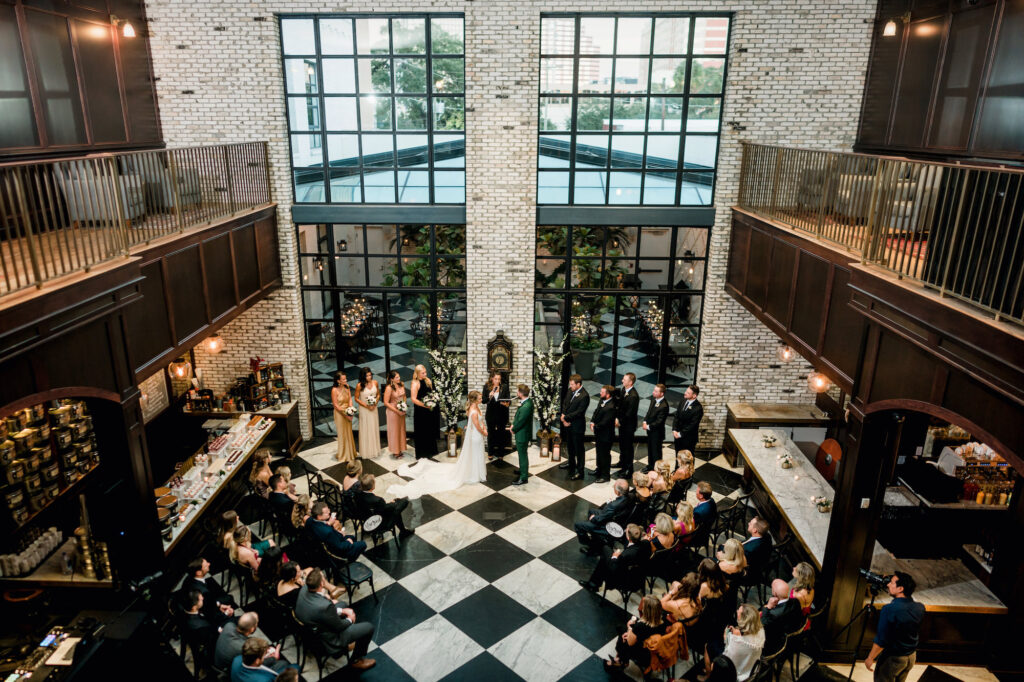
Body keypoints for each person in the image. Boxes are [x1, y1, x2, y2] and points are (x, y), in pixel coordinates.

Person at [385, 391, 488, 498]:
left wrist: (484, 428)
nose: (481, 399)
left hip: (477, 435)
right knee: (476, 454)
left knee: (477, 453)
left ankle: (475, 472)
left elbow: (480, 423)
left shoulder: (476, 407)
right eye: (480, 398)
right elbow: (477, 426)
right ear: (475, 400)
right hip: (476, 436)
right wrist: (484, 432)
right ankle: (475, 475)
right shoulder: (474, 411)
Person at [295, 568, 376, 671]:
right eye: (323, 577)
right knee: (368, 628)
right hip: (330, 638)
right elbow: (339, 627)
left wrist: (342, 611)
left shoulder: (304, 588)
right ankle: (356, 660)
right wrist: (350, 619)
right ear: (321, 584)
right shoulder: (324, 607)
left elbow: (325, 610)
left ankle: (346, 645)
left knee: (343, 605)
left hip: (311, 625)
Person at [865, 572, 925, 682]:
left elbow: (881, 640)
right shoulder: (920, 607)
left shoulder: (889, 609)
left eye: (892, 583)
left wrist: (870, 658)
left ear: (900, 588)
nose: (888, 585)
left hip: (893, 659)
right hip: (911, 658)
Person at [579, 523, 650, 592]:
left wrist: (615, 557)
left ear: (628, 537)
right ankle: (593, 584)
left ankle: (593, 584)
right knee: (605, 555)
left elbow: (614, 567)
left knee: (605, 552)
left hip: (622, 580)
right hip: (639, 577)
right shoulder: (646, 543)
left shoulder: (626, 555)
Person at [604, 594, 667, 671]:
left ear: (647, 611)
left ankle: (621, 661)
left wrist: (629, 628)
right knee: (623, 632)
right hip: (653, 649)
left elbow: (630, 643)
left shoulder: (641, 626)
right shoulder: (663, 620)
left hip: (643, 653)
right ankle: (620, 659)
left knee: (622, 639)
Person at [214, 612, 288, 673]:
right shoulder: (245, 648)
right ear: (252, 629)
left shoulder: (229, 625)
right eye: (256, 623)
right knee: (281, 664)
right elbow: (256, 664)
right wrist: (274, 658)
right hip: (229, 671)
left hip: (217, 663)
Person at [575, 478, 630, 555]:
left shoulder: (613, 505)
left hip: (609, 526)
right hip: (617, 520)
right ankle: (595, 536)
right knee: (591, 511)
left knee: (578, 525)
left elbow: (601, 519)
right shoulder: (628, 497)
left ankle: (593, 547)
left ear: (617, 491)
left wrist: (593, 518)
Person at [180, 557, 236, 626]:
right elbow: (210, 612)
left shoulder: (188, 578)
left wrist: (218, 604)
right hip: (208, 616)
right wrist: (226, 613)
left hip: (201, 605)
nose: (209, 564)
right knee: (229, 599)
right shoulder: (204, 592)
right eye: (206, 565)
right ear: (199, 572)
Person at [356, 473, 413, 537]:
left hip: (366, 518)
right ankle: (403, 532)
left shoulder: (358, 494)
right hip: (380, 523)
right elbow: (385, 509)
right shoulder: (378, 500)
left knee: (395, 505)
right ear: (372, 487)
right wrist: (392, 503)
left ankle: (403, 531)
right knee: (401, 504)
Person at [722, 604, 765, 682]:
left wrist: (726, 639)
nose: (737, 611)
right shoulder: (761, 632)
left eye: (739, 611)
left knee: (709, 647)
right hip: (751, 669)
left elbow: (726, 659)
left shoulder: (737, 642)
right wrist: (739, 633)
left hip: (736, 675)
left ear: (744, 619)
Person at [558, 374, 589, 480]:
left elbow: (579, 412)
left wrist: (566, 418)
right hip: (568, 424)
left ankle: (580, 471)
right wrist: (563, 415)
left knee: (579, 449)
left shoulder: (584, 396)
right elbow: (565, 403)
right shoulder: (570, 390)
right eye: (570, 384)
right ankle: (571, 464)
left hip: (577, 426)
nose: (570, 386)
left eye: (572, 384)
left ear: (578, 384)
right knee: (570, 446)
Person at [614, 372, 640, 478]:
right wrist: (616, 418)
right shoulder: (624, 390)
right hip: (622, 424)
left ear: (630, 382)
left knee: (628, 447)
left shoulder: (633, 396)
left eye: (624, 380)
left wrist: (619, 421)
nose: (622, 381)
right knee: (622, 445)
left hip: (628, 426)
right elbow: (620, 406)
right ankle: (622, 463)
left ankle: (628, 469)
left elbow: (630, 413)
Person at [410, 364, 439, 459]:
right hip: (420, 411)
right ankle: (422, 453)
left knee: (429, 430)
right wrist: (425, 405)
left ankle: (430, 450)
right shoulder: (415, 383)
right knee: (422, 431)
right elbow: (413, 399)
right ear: (417, 373)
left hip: (429, 410)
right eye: (423, 373)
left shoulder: (427, 381)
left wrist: (433, 400)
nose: (425, 374)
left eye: (425, 372)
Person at [588, 385, 616, 482]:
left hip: (606, 435)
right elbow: (596, 412)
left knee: (605, 455)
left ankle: (605, 476)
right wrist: (592, 422)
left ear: (608, 395)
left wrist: (595, 427)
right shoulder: (602, 400)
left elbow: (605, 422)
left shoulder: (611, 407)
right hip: (599, 434)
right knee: (599, 453)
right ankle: (599, 469)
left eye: (602, 392)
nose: (600, 393)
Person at [508, 384, 534, 486]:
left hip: (522, 434)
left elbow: (521, 421)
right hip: (523, 432)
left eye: (518, 391)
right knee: (522, 454)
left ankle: (523, 478)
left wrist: (513, 429)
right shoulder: (527, 402)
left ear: (520, 393)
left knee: (522, 455)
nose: (517, 393)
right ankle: (522, 470)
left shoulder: (526, 406)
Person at [354, 367, 381, 459]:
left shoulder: (375, 383)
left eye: (370, 375)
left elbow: (378, 394)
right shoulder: (359, 385)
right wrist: (366, 405)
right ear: (363, 376)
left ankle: (375, 449)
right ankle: (366, 451)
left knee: (373, 427)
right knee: (366, 427)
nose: (369, 377)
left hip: (373, 408)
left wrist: (375, 403)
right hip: (365, 409)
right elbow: (356, 398)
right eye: (367, 375)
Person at [642, 384, 669, 472]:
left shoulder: (664, 405)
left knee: (656, 452)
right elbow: (649, 412)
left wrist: (648, 426)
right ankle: (650, 465)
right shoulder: (654, 399)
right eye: (654, 390)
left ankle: (657, 469)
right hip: (650, 431)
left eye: (656, 391)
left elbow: (659, 421)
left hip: (657, 433)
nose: (653, 392)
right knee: (650, 449)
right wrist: (645, 421)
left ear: (661, 394)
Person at [484, 371, 509, 461]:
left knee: (501, 434)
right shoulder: (487, 387)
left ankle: (500, 453)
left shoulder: (504, 387)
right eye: (495, 379)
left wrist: (506, 403)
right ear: (492, 378)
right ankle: (490, 452)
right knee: (491, 434)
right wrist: (489, 396)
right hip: (490, 415)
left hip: (502, 415)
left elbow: (508, 399)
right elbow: (483, 401)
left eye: (499, 379)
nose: (497, 381)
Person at [331, 372, 357, 462]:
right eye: (343, 379)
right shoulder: (334, 390)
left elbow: (350, 398)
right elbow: (335, 405)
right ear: (338, 381)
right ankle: (343, 455)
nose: (346, 380)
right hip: (339, 413)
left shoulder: (347, 386)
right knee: (342, 433)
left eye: (346, 379)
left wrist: (350, 409)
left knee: (348, 432)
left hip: (347, 411)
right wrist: (345, 413)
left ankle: (350, 453)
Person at [671, 384, 703, 455]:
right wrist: (674, 429)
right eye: (686, 391)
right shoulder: (683, 401)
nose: (685, 393)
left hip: (688, 439)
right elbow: (676, 416)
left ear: (694, 396)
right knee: (678, 456)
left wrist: (680, 434)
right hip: (678, 436)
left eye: (688, 393)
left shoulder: (698, 408)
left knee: (687, 459)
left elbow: (692, 425)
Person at [383, 370, 408, 459]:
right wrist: (397, 410)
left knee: (401, 430)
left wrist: (403, 405)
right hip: (393, 411)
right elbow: (386, 402)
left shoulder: (402, 384)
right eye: (397, 377)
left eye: (399, 376)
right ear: (392, 379)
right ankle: (395, 451)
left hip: (401, 409)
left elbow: (404, 396)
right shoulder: (389, 388)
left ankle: (400, 448)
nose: (399, 378)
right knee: (394, 431)